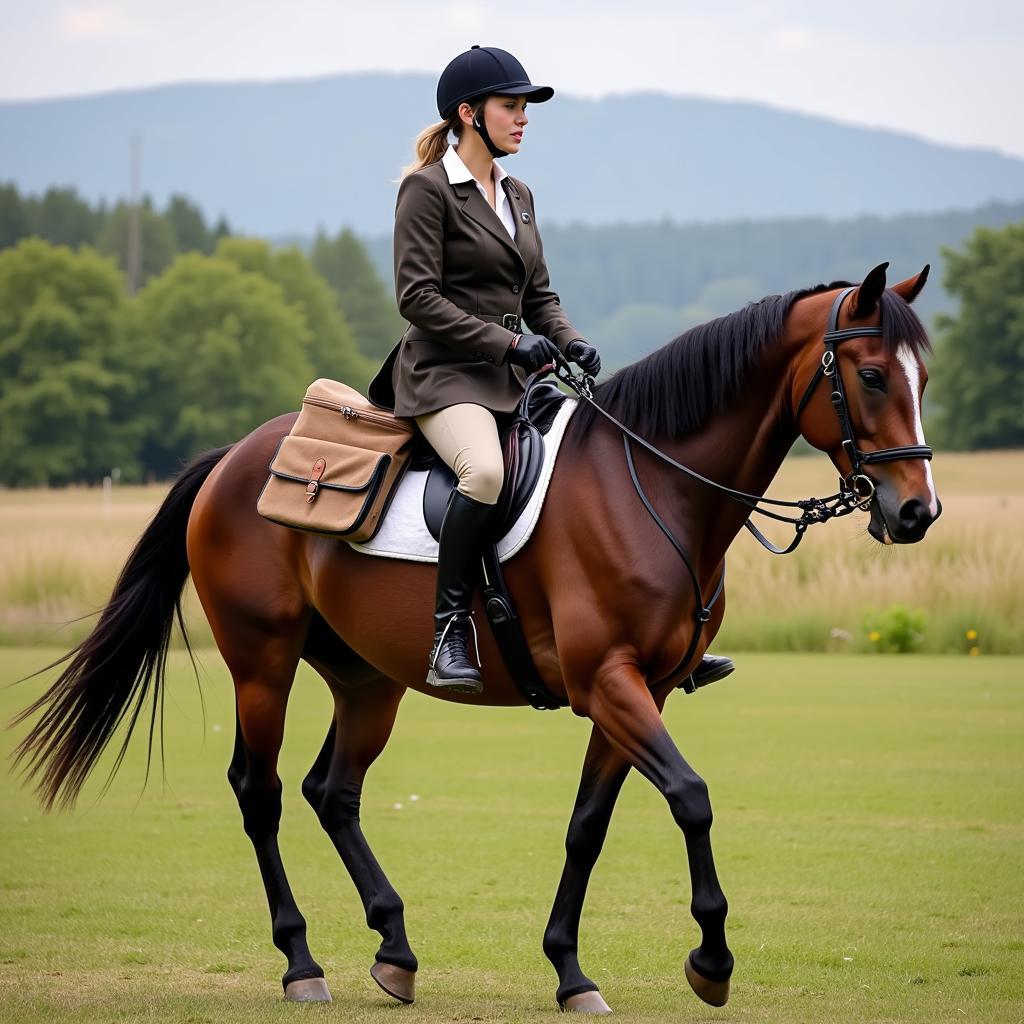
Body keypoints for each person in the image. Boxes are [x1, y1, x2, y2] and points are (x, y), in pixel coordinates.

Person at [368, 44, 733, 697]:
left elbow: (539, 297)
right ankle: (449, 628)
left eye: (525, 108)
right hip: (443, 378)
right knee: (483, 473)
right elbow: (417, 298)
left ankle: (656, 628)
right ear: (469, 114)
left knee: (599, 465)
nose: (523, 118)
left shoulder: (518, 194)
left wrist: (570, 341)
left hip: (513, 380)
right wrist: (510, 347)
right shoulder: (426, 191)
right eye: (512, 106)